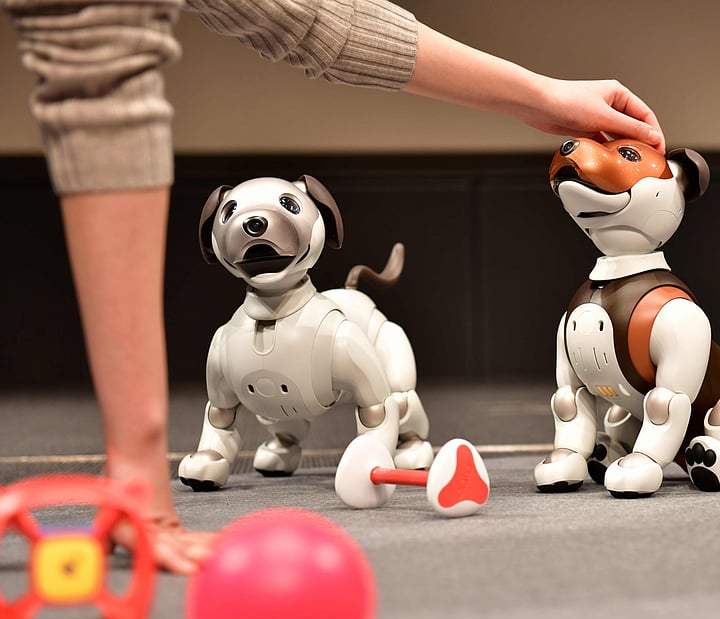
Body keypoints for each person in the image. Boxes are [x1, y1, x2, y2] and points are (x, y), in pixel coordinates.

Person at [2, 0, 665, 574]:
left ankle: (384, 438)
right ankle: (282, 442)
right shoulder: (229, 342)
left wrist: (542, 97)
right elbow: (97, 54)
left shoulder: (343, 328)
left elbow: (310, 19)